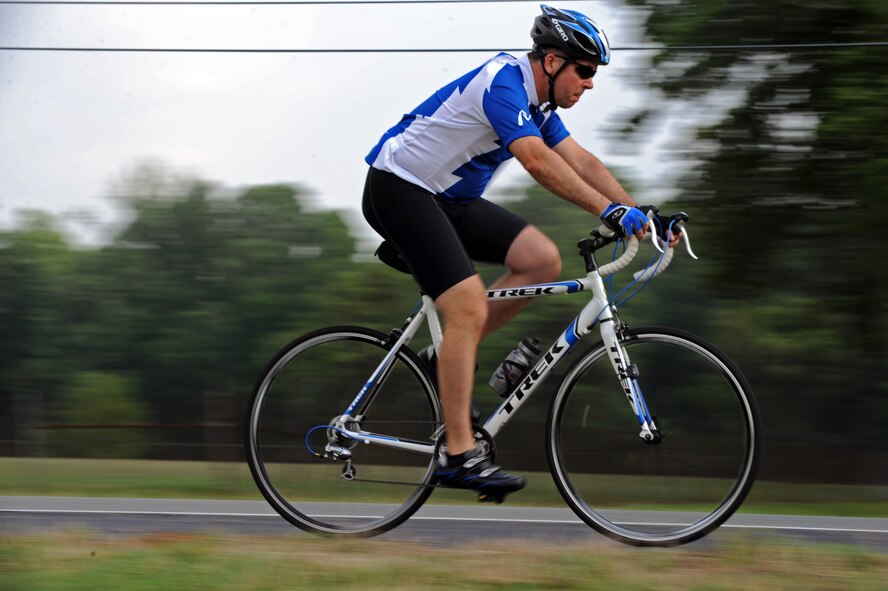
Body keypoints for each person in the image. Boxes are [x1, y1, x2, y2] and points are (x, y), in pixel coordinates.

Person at [362, 5, 651, 500]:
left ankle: (441, 360)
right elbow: (537, 160)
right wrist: (608, 212)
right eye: (585, 71)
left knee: (541, 259)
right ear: (554, 62)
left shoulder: (541, 106)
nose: (590, 83)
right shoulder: (504, 84)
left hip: (449, 200)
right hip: (399, 189)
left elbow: (580, 160)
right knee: (467, 306)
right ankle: (458, 456)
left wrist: (642, 211)